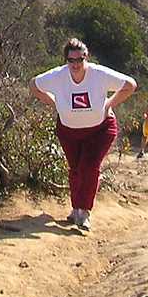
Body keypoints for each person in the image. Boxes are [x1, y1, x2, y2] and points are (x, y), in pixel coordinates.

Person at [32, 37, 137, 231]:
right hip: (68, 131)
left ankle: (85, 212)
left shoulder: (98, 74)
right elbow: (34, 85)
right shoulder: (58, 76)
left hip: (99, 130)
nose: (76, 64)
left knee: (89, 167)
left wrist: (109, 104)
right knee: (75, 169)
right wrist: (55, 103)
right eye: (71, 60)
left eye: (80, 59)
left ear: (86, 57)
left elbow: (130, 85)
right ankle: (76, 209)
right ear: (66, 60)